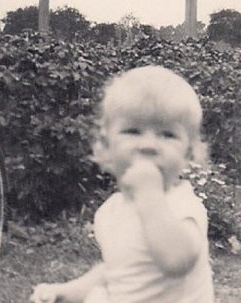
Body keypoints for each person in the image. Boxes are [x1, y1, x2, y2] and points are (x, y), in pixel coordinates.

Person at [30, 65, 214, 303]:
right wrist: (67, 291)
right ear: (106, 146)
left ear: (189, 153)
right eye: (133, 131)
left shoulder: (181, 206)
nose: (149, 145)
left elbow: (177, 260)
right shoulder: (111, 211)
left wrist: (149, 194)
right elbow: (114, 273)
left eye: (167, 135)